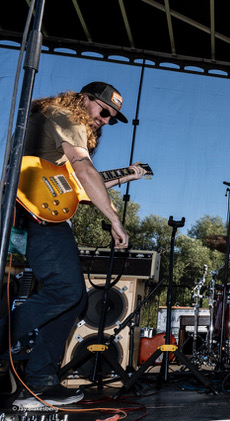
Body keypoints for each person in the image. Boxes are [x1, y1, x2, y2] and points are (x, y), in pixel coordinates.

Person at [1, 82, 145, 409]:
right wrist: (114, 219)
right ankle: (34, 375)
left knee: (74, 299)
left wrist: (126, 176)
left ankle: (40, 383)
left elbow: (76, 184)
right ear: (85, 100)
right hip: (34, 212)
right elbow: (84, 169)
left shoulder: (59, 125)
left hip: (38, 213)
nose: (106, 120)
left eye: (112, 118)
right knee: (67, 291)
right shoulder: (67, 116)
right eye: (104, 111)